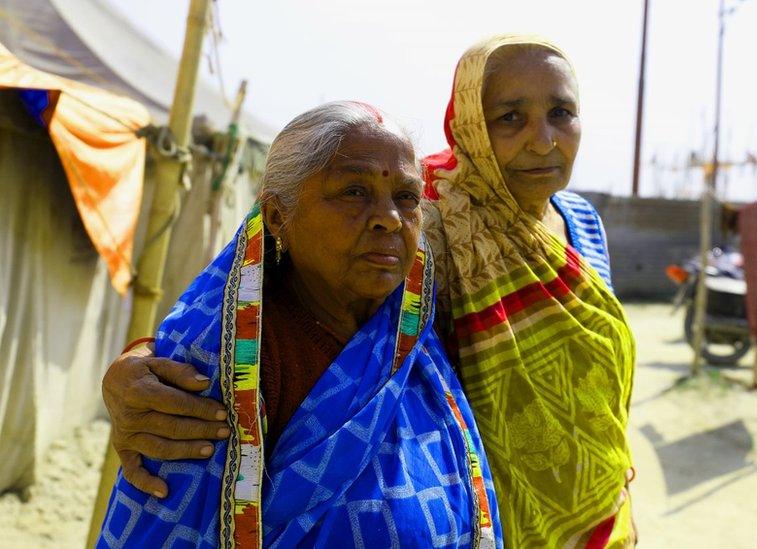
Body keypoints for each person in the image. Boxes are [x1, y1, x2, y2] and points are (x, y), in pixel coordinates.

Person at [101, 36, 636, 547]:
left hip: (601, 513)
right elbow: (223, 311)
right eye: (511, 117)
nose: (542, 139)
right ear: (470, 125)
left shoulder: (581, 225)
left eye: (562, 113)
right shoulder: (446, 226)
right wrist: (137, 364)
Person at [96, 101, 501, 548]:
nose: (389, 217)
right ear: (276, 216)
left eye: (406, 198)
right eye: (353, 192)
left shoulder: (418, 333)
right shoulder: (229, 360)